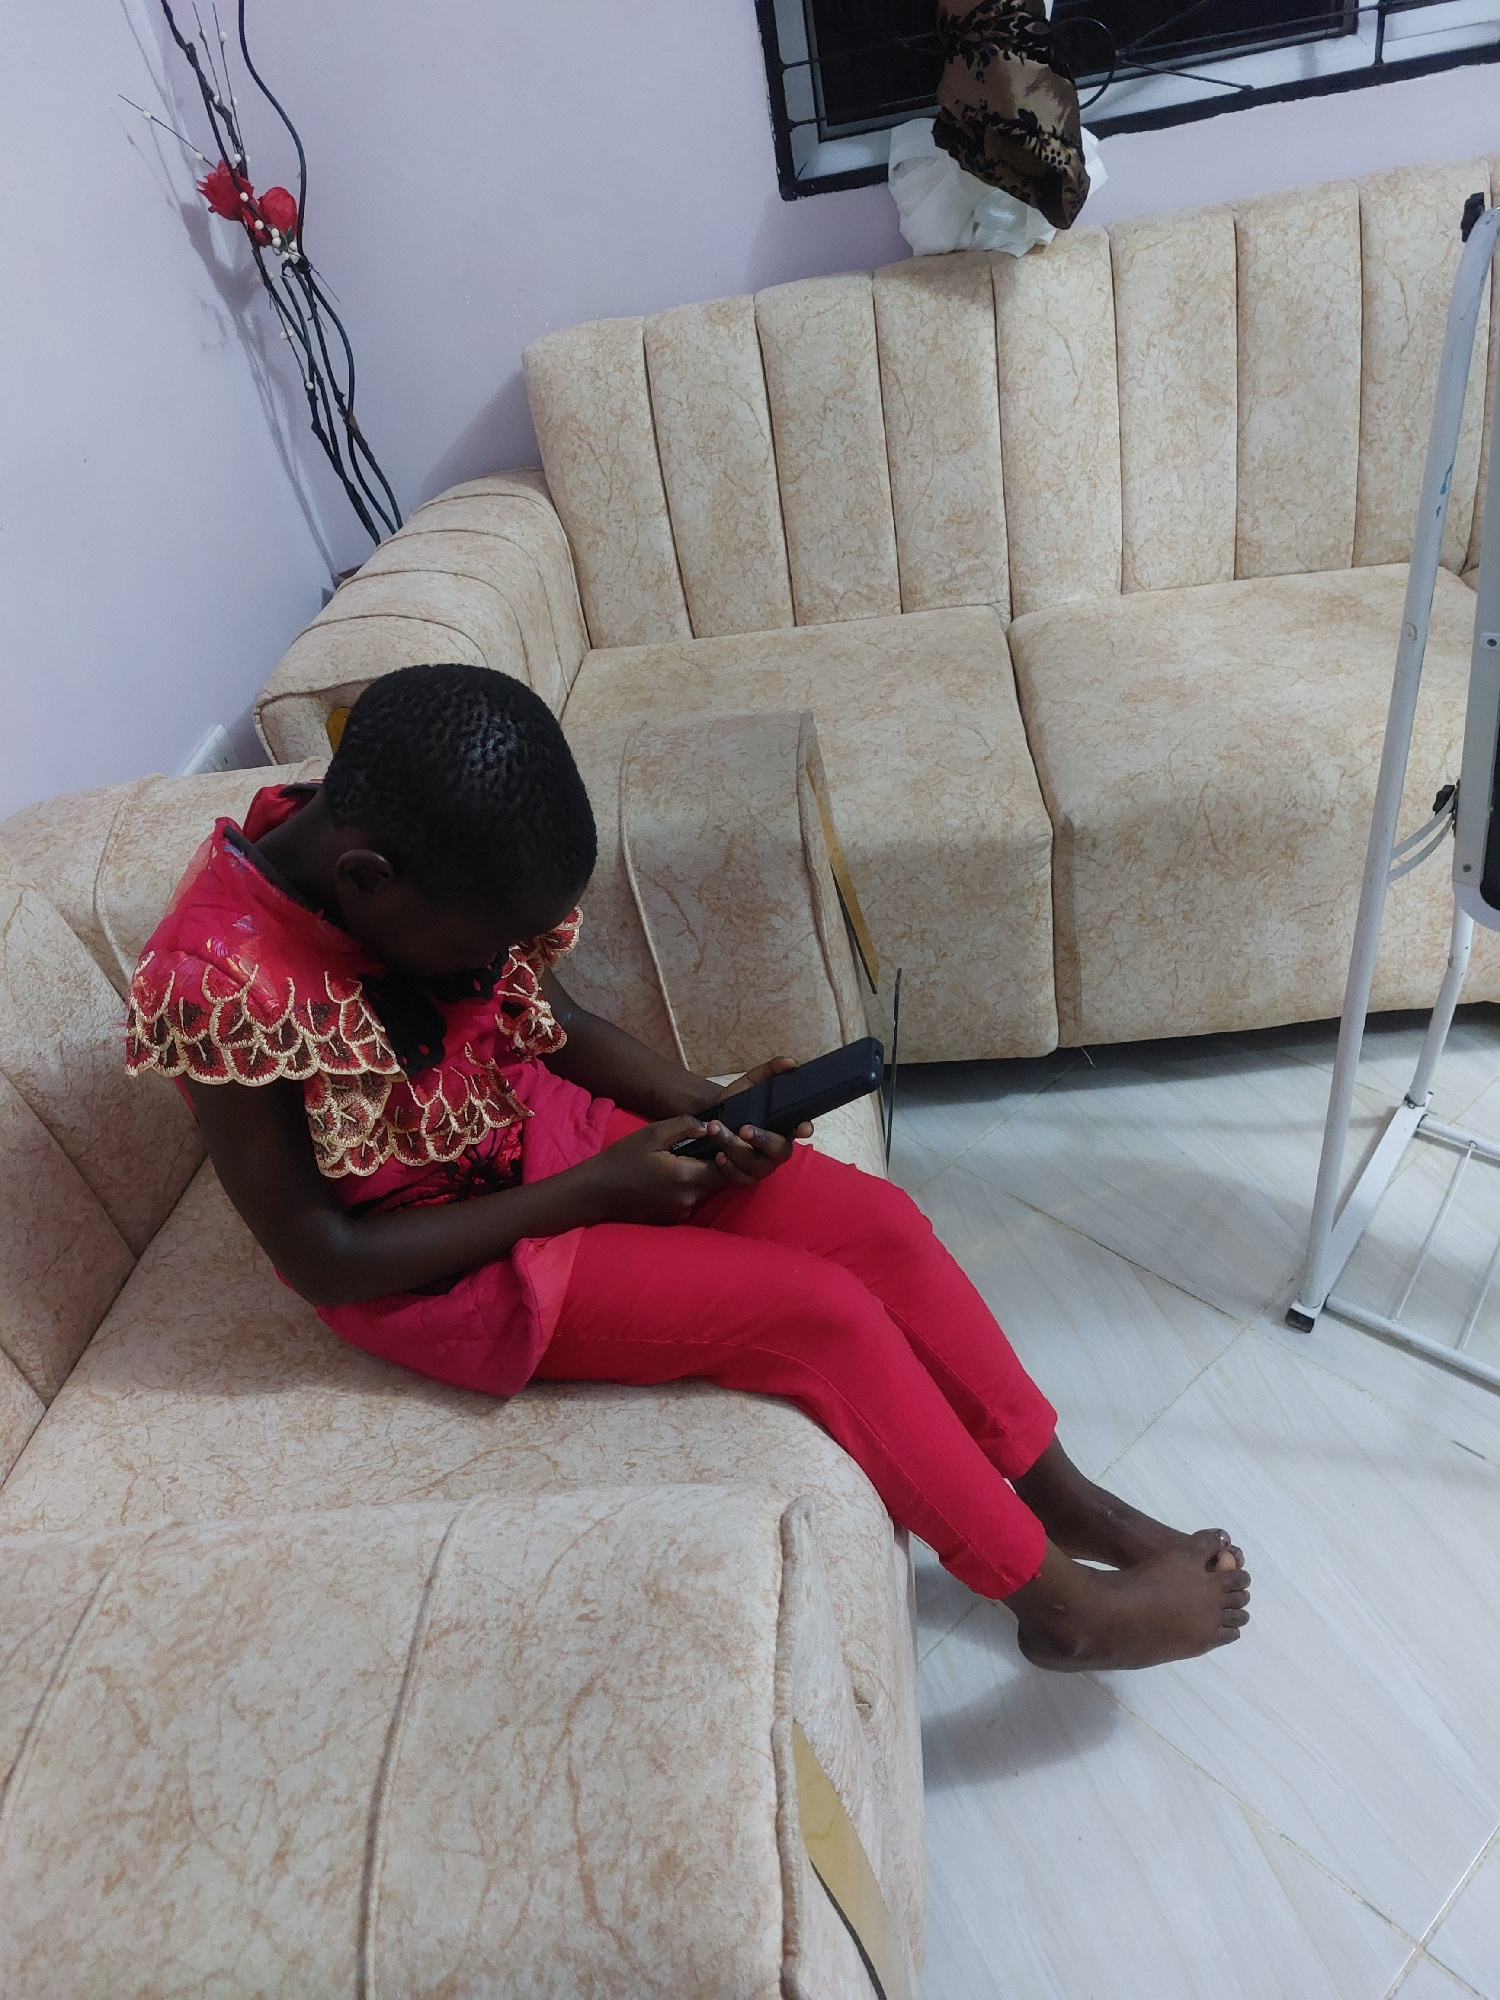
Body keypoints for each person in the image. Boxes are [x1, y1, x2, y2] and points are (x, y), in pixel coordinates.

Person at [126, 664, 1249, 1671]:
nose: (499, 964)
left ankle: (1068, 1501)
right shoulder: (217, 984)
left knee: (878, 1226)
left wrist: (702, 1104)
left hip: (546, 1138)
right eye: (481, 946)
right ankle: (1060, 1610)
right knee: (820, 1318)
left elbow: (557, 1024)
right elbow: (324, 1259)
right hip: (446, 1265)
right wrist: (593, 1194)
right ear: (369, 880)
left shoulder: (413, 850)